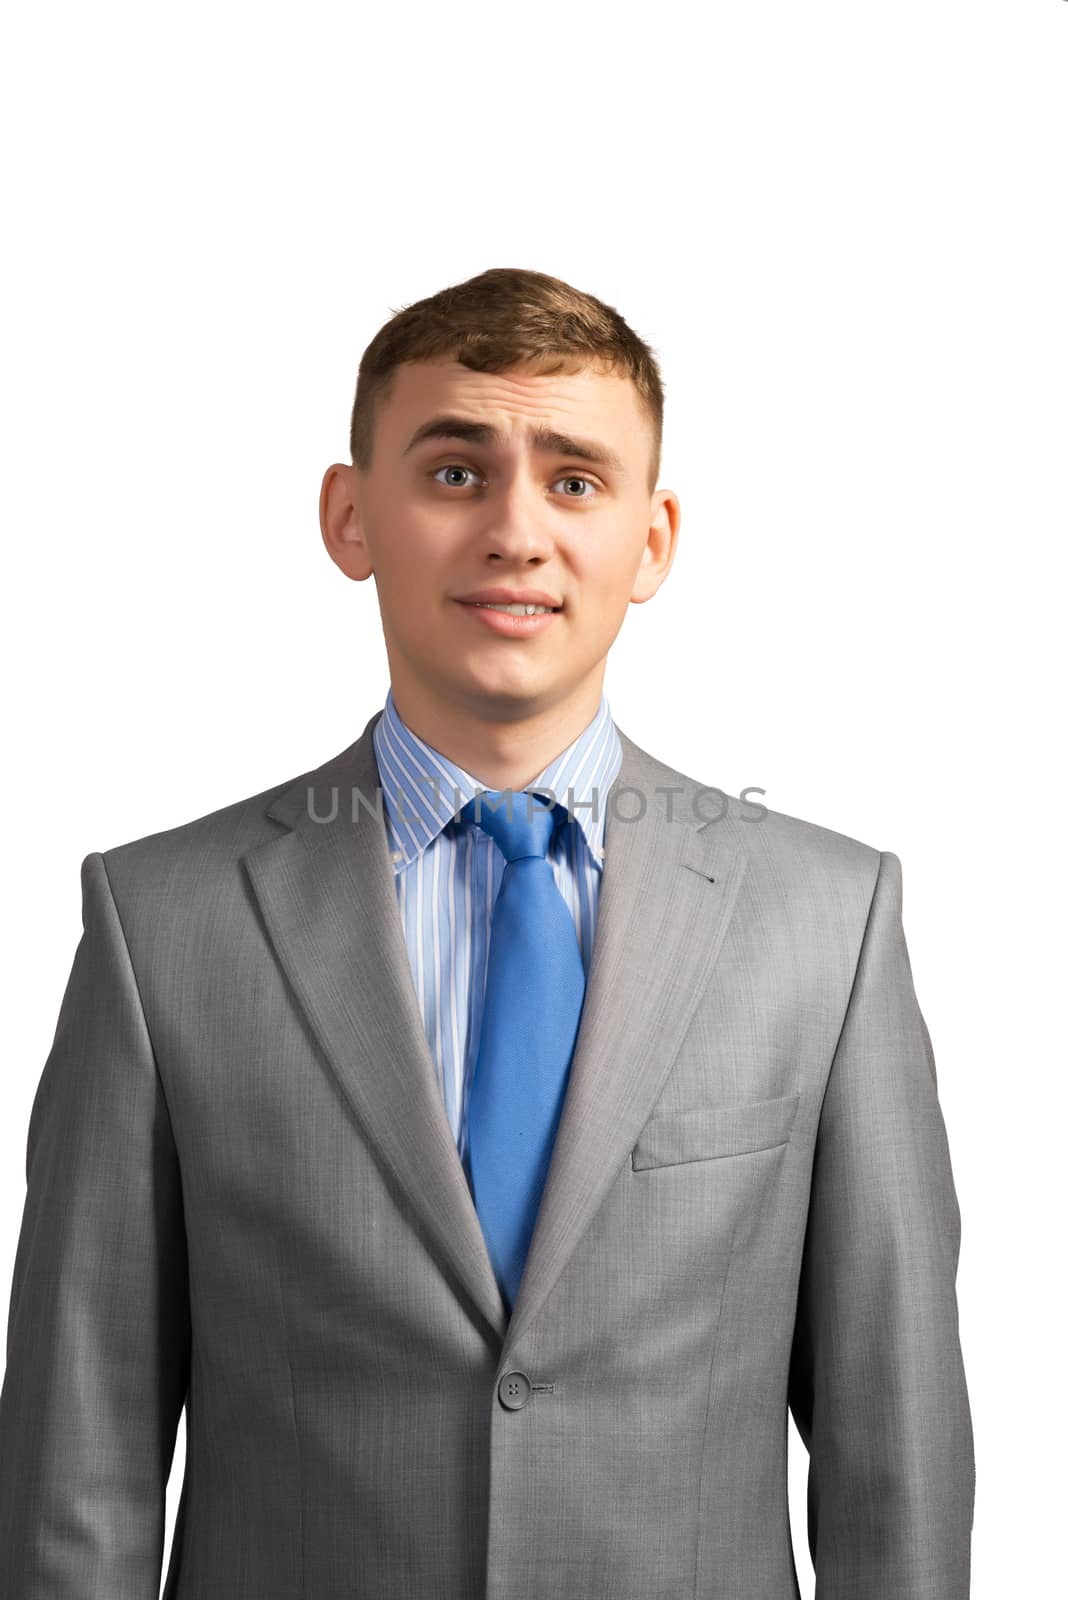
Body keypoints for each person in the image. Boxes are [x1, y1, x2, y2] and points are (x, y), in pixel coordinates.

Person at [0, 266, 975, 1598]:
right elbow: (79, 1462)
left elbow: (896, 1468)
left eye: (575, 479)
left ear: (653, 539)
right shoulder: (159, 925)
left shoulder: (828, 922)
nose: (517, 531)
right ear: (352, 517)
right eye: (456, 472)